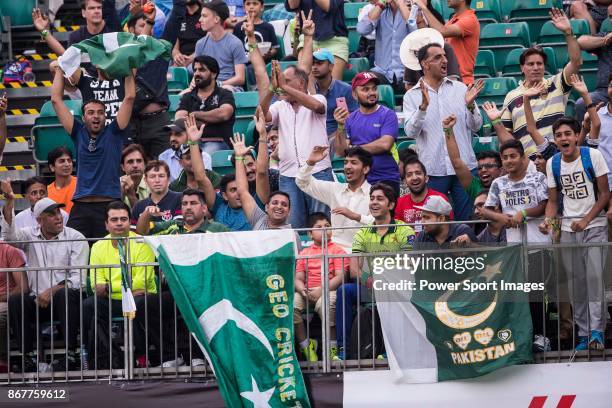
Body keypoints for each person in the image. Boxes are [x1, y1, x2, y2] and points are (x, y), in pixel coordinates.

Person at [539, 117, 610, 351]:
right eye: (559, 135)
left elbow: (604, 195)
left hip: (595, 225)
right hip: (568, 228)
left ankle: (597, 332)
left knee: (593, 278)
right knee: (576, 284)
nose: (563, 138)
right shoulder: (553, 163)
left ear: (577, 135)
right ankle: (583, 333)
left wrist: (587, 219)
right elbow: (552, 201)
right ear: (555, 139)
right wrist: (549, 221)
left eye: (568, 133)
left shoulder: (592, 156)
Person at [252, 27, 333, 228]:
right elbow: (260, 115)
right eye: (282, 82)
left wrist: (283, 86)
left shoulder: (317, 98)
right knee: (292, 227)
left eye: (288, 81)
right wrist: (272, 88)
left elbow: (317, 107)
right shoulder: (280, 106)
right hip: (288, 175)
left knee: (321, 225)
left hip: (318, 171)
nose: (282, 85)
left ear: (301, 83)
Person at [2, 196, 89, 372]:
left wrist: (52, 290)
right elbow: (10, 237)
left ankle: (71, 353)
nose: (58, 217)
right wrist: (10, 201)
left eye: (58, 212)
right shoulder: (29, 234)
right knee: (16, 300)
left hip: (68, 301)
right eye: (51, 214)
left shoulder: (76, 237)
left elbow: (78, 279)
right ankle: (28, 356)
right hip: (38, 302)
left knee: (65, 294)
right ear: (39, 220)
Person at [52, 65, 135, 239]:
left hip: (109, 206)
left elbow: (129, 97)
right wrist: (59, 69)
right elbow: (56, 101)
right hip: (81, 206)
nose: (96, 116)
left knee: (110, 258)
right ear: (84, 117)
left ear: (106, 116)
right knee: (72, 253)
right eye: (90, 113)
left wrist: (128, 66)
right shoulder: (78, 132)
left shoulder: (114, 132)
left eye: (100, 113)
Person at [403, 43, 484, 221]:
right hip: (432, 170)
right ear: (425, 64)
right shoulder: (411, 96)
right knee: (434, 223)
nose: (445, 60)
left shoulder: (461, 89)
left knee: (468, 222)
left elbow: (477, 126)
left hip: (464, 167)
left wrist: (470, 106)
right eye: (437, 57)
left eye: (444, 56)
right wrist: (422, 108)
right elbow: (410, 132)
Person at [335, 183, 415, 360]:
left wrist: (382, 277)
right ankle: (344, 350)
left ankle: (389, 351)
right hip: (371, 286)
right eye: (372, 199)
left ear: (391, 205)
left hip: (397, 287)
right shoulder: (363, 233)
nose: (374, 203)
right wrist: (366, 278)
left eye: (380, 199)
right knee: (344, 292)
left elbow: (408, 263)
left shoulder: (404, 230)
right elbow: (354, 268)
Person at [84, 201, 160, 368]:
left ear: (129, 222)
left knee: (136, 304)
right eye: (114, 219)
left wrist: (110, 287)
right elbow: (97, 285)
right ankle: (109, 357)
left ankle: (141, 355)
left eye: (124, 219)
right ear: (106, 224)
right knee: (90, 305)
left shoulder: (142, 242)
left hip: (140, 298)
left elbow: (141, 282)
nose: (119, 223)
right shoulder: (97, 247)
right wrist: (120, 288)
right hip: (117, 299)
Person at [500, 9, 583, 157]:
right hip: (528, 163)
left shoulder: (556, 83)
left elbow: (576, 62)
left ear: (545, 66)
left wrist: (568, 32)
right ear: (522, 68)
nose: (536, 67)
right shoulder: (511, 96)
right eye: (530, 64)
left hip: (556, 155)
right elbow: (506, 136)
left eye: (540, 63)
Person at [297, 146, 375, 252]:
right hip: (334, 253)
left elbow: (380, 223)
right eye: (345, 162)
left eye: (353, 162)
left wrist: (355, 216)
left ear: (365, 169)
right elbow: (302, 182)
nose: (347, 166)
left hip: (363, 253)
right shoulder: (335, 189)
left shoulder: (375, 193)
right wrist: (310, 163)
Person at [334, 72, 401, 194]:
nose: (372, 93)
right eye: (365, 89)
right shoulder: (350, 119)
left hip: (386, 179)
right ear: (354, 94)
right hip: (359, 181)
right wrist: (340, 126)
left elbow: (385, 144)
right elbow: (340, 151)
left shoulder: (388, 114)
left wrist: (354, 148)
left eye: (374, 89)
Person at [294, 212, 346, 362]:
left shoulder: (337, 250)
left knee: (327, 306)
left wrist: (321, 290)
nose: (324, 230)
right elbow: (298, 278)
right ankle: (306, 345)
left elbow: (341, 276)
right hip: (307, 291)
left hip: (329, 290)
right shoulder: (305, 253)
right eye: (319, 227)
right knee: (292, 306)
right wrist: (302, 289)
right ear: (310, 234)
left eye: (327, 226)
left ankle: (332, 349)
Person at [126, 9, 177, 159]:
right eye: (142, 25)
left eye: (150, 25)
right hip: (131, 123)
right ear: (130, 30)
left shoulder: (160, 51)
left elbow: (175, 19)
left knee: (162, 171)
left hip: (158, 124)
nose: (148, 29)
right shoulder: (123, 55)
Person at [297, 26, 358, 137]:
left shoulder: (345, 90)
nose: (314, 67)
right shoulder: (308, 89)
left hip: (338, 138)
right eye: (313, 63)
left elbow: (354, 120)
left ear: (331, 66)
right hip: (312, 138)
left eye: (319, 63)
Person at [175, 56, 236, 154]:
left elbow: (224, 114)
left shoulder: (225, 94)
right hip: (193, 142)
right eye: (195, 70)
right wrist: (212, 120)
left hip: (218, 142)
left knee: (204, 155)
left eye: (202, 70)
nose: (197, 73)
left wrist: (195, 115)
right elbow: (179, 121)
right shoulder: (187, 97)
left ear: (213, 74)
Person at [232, 133, 292, 230]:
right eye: (275, 203)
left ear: (289, 212)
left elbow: (262, 172)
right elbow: (242, 191)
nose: (279, 206)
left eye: (284, 204)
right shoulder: (258, 221)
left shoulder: (293, 235)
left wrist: (263, 136)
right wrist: (238, 157)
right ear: (266, 207)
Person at [415, 0, 479, 85]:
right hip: (449, 80)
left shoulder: (470, 19)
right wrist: (420, 20)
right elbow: (432, 39)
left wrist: (423, 7)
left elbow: (441, 31)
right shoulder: (453, 20)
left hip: (462, 82)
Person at [356, 0, 411, 93]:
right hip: (382, 72)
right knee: (363, 84)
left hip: (407, 71)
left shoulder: (412, 8)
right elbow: (362, 29)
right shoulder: (378, 9)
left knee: (417, 85)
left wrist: (401, 4)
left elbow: (416, 31)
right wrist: (381, 4)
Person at [286, 0, 349, 79]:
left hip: (335, 39)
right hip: (307, 37)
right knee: (306, 82)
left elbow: (327, 7)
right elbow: (293, 5)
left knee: (332, 85)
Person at [194, 0, 248, 91]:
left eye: (204, 16)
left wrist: (218, 84)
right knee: (182, 97)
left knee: (223, 91)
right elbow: (197, 72)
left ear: (216, 19)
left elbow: (240, 78)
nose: (200, 20)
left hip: (230, 87)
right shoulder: (200, 44)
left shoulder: (235, 43)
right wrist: (194, 82)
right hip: (205, 86)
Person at [395, 156, 453, 232]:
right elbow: (397, 231)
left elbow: (448, 229)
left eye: (418, 173)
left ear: (426, 178)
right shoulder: (400, 202)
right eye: (409, 175)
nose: (414, 177)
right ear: (405, 182)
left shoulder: (440, 199)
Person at [1, 177, 69, 241]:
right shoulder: (20, 218)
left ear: (47, 194)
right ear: (26, 196)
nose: (39, 196)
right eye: (34, 193)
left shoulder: (63, 215)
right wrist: (9, 200)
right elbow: (11, 239)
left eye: (42, 192)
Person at [0, 243, 28, 373]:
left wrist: (2, 298)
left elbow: (22, 287)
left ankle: (2, 360)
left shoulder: (9, 251)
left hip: (5, 300)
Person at [575, 30, 612, 122]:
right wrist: (605, 39)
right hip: (603, 93)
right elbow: (580, 42)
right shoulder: (607, 35)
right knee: (581, 103)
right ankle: (584, 135)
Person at [172, 0, 206, 68]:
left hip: (201, 58)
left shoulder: (205, 13)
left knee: (190, 70)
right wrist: (177, 55)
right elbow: (175, 48)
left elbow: (210, 43)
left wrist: (191, 58)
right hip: (181, 60)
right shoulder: (178, 14)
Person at [47, 146, 77, 214]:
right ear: (52, 167)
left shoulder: (81, 185)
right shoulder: (47, 191)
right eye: (62, 161)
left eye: (69, 160)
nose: (67, 164)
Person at [120, 144, 149, 208]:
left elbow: (145, 216)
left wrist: (131, 196)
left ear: (145, 165)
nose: (135, 165)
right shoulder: (116, 185)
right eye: (130, 162)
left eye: (139, 161)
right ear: (122, 167)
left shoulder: (153, 183)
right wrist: (120, 196)